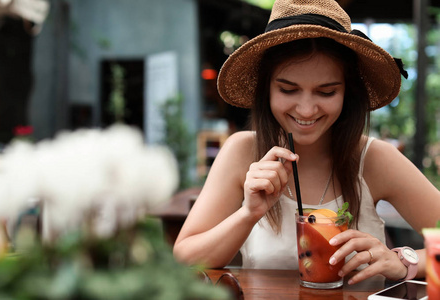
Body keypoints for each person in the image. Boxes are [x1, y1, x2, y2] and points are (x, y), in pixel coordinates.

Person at [173, 0, 440, 285]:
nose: (306, 109)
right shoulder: (243, 153)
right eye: (288, 89)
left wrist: (403, 262)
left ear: (347, 94)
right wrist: (247, 213)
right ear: (267, 90)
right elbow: (184, 260)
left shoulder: (374, 159)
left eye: (326, 92)